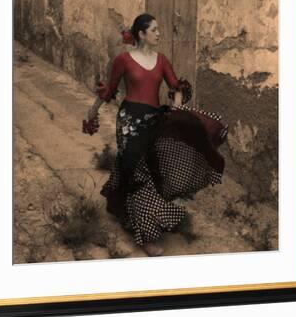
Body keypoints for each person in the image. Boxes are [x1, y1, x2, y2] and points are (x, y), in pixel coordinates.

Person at [82, 13, 227, 257]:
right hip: (129, 122)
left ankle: (125, 209)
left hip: (153, 120)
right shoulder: (123, 60)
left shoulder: (162, 61)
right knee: (136, 171)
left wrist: (178, 109)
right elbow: (109, 90)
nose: (159, 33)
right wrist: (91, 111)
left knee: (151, 170)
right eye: (155, 30)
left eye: (159, 29)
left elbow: (175, 87)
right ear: (141, 34)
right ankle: (147, 235)